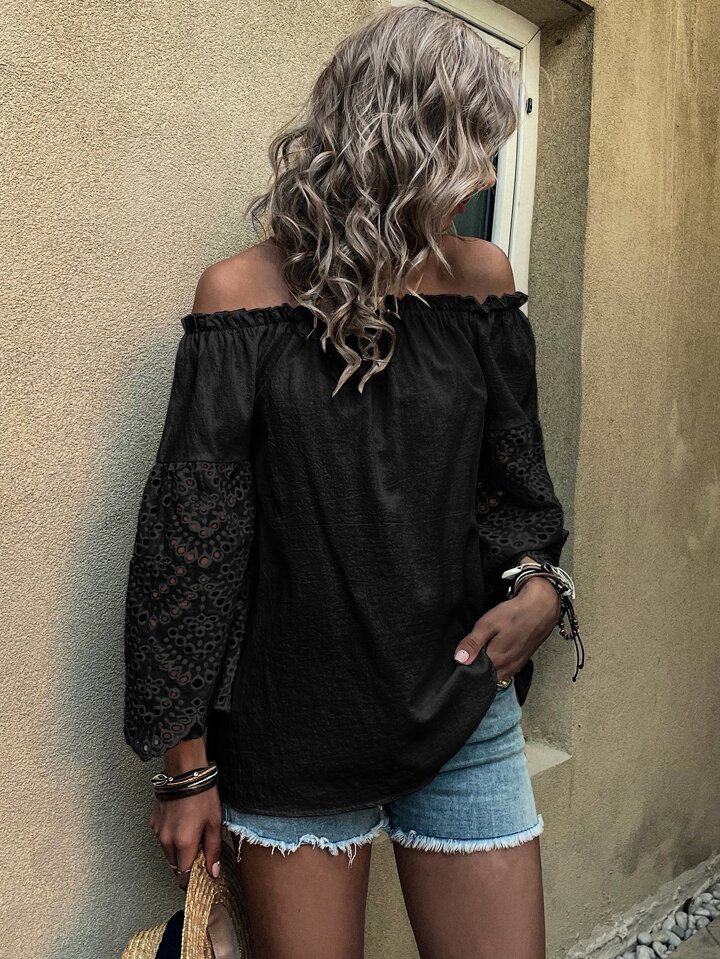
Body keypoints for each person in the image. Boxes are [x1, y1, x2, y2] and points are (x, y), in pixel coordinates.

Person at [123, 6, 575, 958]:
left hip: (462, 702)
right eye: (472, 148)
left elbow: (515, 488)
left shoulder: (481, 284)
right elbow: (192, 546)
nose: (489, 178)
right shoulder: (239, 298)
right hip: (293, 721)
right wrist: (184, 764)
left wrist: (541, 584)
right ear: (403, 140)